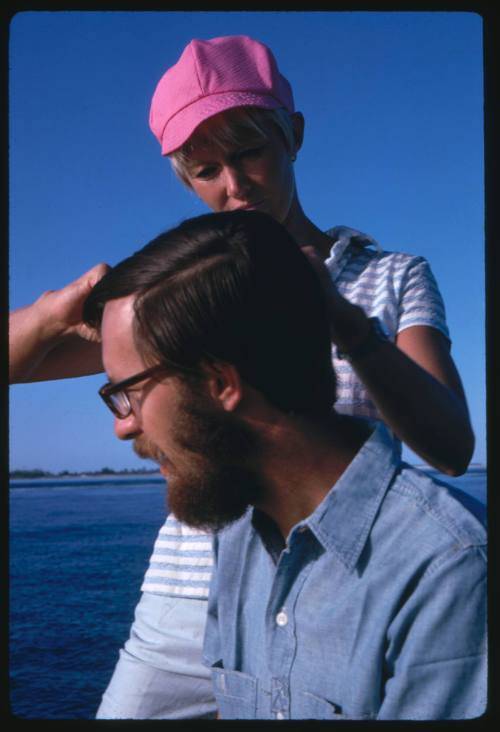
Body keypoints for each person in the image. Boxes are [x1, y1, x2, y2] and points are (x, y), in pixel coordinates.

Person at [9, 35, 476, 719]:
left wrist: (343, 319)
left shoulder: (392, 275)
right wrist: (57, 311)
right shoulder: (183, 291)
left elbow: (451, 447)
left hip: (336, 588)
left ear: (293, 135)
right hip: (185, 598)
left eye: (251, 152)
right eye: (204, 170)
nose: (233, 186)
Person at [81, 209, 486, 720]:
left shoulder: (449, 571)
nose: (123, 426)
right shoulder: (236, 539)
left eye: (128, 393)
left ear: (221, 383)